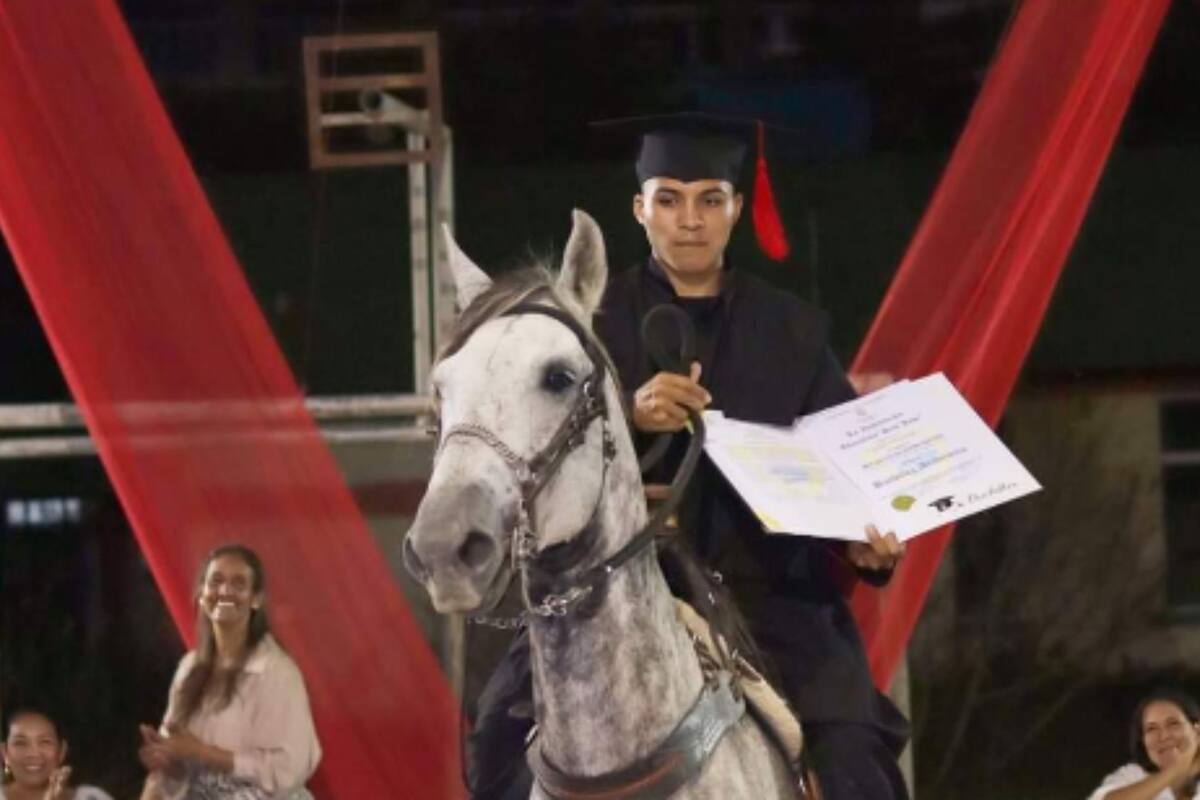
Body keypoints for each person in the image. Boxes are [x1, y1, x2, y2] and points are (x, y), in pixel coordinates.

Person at [468, 114, 909, 800]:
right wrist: (631, 418)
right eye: (669, 198)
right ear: (639, 209)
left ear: (736, 209)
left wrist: (866, 545)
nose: (690, 219)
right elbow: (540, 463)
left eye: (710, 199)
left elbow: (848, 470)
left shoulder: (790, 329)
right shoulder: (586, 325)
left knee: (858, 762)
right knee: (496, 736)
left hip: (770, 598)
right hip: (609, 592)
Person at [138, 543, 321, 800]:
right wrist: (167, 759)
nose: (225, 591)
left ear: (256, 599)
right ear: (202, 594)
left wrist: (202, 751)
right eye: (216, 581)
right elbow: (185, 770)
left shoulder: (277, 673)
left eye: (238, 583)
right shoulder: (190, 667)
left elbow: (288, 771)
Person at [1088, 689, 1200, 800]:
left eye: (1173, 724)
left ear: (1196, 731)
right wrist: (1178, 769)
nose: (1163, 736)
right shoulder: (1131, 776)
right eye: (1151, 728)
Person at [0, 708, 114, 800]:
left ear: (62, 751)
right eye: (20, 743)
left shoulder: (91, 797)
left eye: (45, 742)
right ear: (5, 752)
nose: (33, 753)